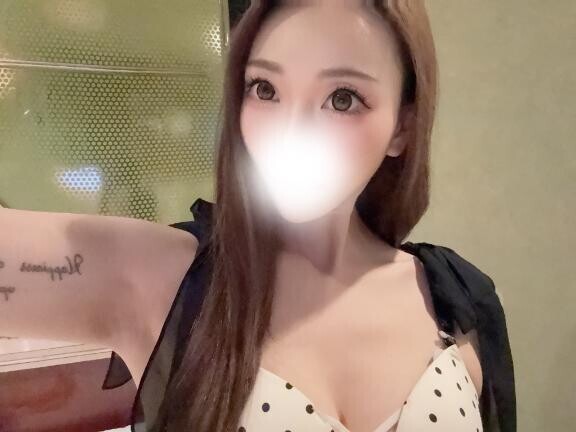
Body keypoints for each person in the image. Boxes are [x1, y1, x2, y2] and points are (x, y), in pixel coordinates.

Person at [0, 1, 515, 431]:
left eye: (342, 98)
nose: (291, 132)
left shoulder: (459, 300)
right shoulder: (167, 278)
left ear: (402, 127)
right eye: (264, 88)